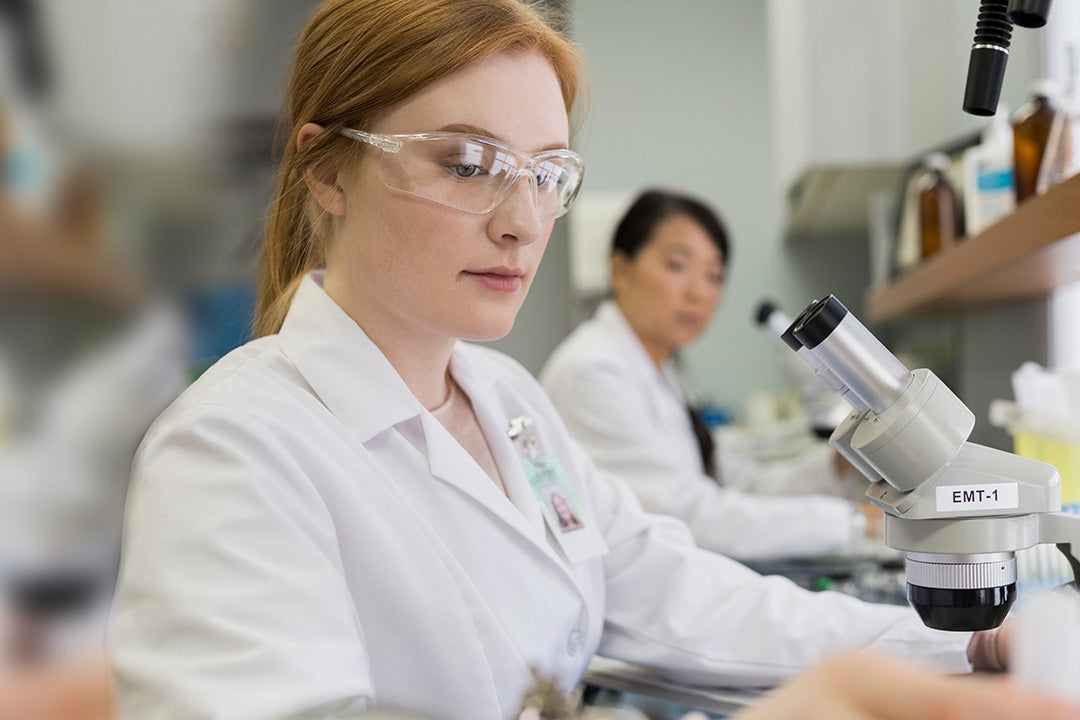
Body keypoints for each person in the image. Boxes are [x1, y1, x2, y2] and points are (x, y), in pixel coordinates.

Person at [109, 2, 1030, 719]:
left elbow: (678, 593)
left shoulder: (507, 401)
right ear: (327, 171)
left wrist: (960, 644)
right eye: (467, 162)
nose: (522, 220)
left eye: (548, 172)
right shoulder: (233, 450)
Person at [540, 189, 867, 560]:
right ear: (620, 268)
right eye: (678, 266)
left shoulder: (659, 375)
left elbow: (737, 482)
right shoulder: (592, 372)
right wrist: (851, 524)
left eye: (713, 275)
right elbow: (685, 515)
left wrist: (839, 464)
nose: (699, 292)